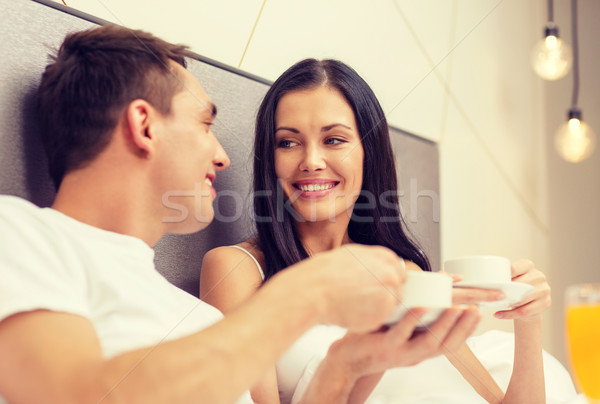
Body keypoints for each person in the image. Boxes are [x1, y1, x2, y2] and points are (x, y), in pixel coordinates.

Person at [0, 26, 482, 404]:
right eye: (206, 123)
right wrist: (306, 293)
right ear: (144, 126)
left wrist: (348, 365)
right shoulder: (19, 233)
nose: (222, 156)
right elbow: (73, 396)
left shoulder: (192, 316)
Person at [200, 59, 577, 404]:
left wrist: (529, 322)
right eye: (288, 142)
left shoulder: (405, 274)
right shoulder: (238, 270)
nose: (311, 161)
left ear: (369, 152)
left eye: (333, 140)